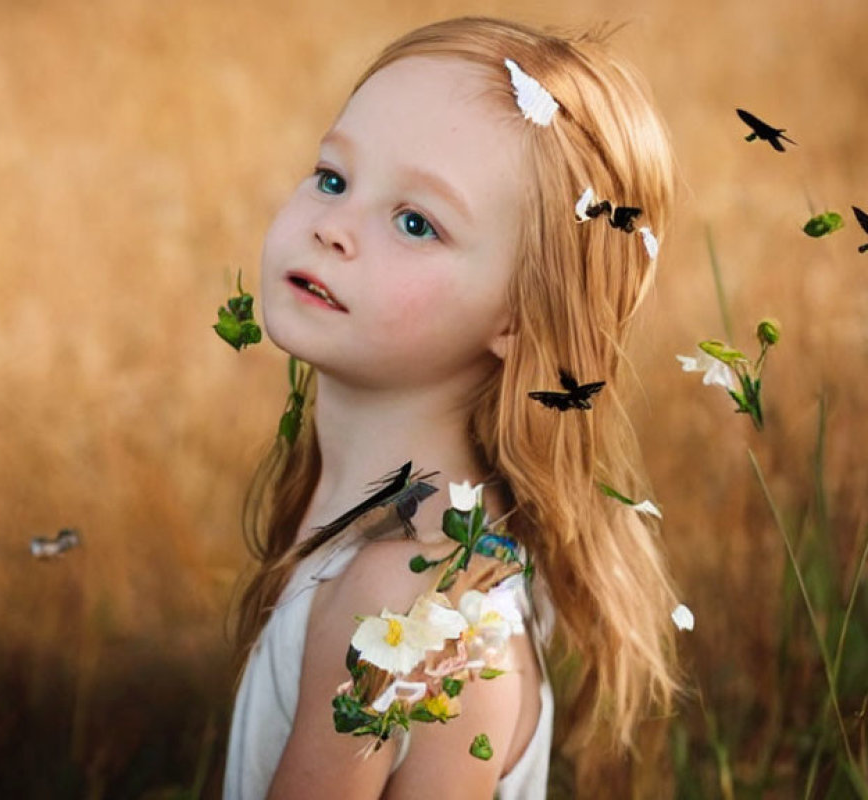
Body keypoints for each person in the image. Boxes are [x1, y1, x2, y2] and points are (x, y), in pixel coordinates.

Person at [224, 16, 681, 799]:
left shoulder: (402, 594)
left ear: (520, 318)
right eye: (333, 177)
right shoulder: (413, 546)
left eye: (415, 223)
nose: (334, 228)